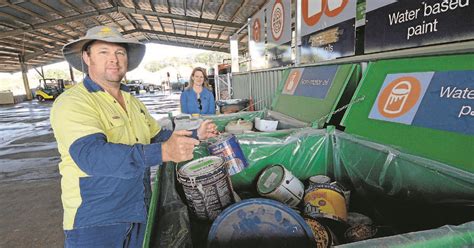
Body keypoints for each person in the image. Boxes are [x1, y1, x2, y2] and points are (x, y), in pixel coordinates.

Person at [50, 26, 218, 247]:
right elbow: (92, 156)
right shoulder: (74, 102)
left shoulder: (133, 102)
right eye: (103, 52)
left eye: (119, 53)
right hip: (96, 221)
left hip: (139, 211)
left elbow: (157, 136)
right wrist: (164, 152)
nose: (114, 59)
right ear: (86, 57)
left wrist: (197, 134)